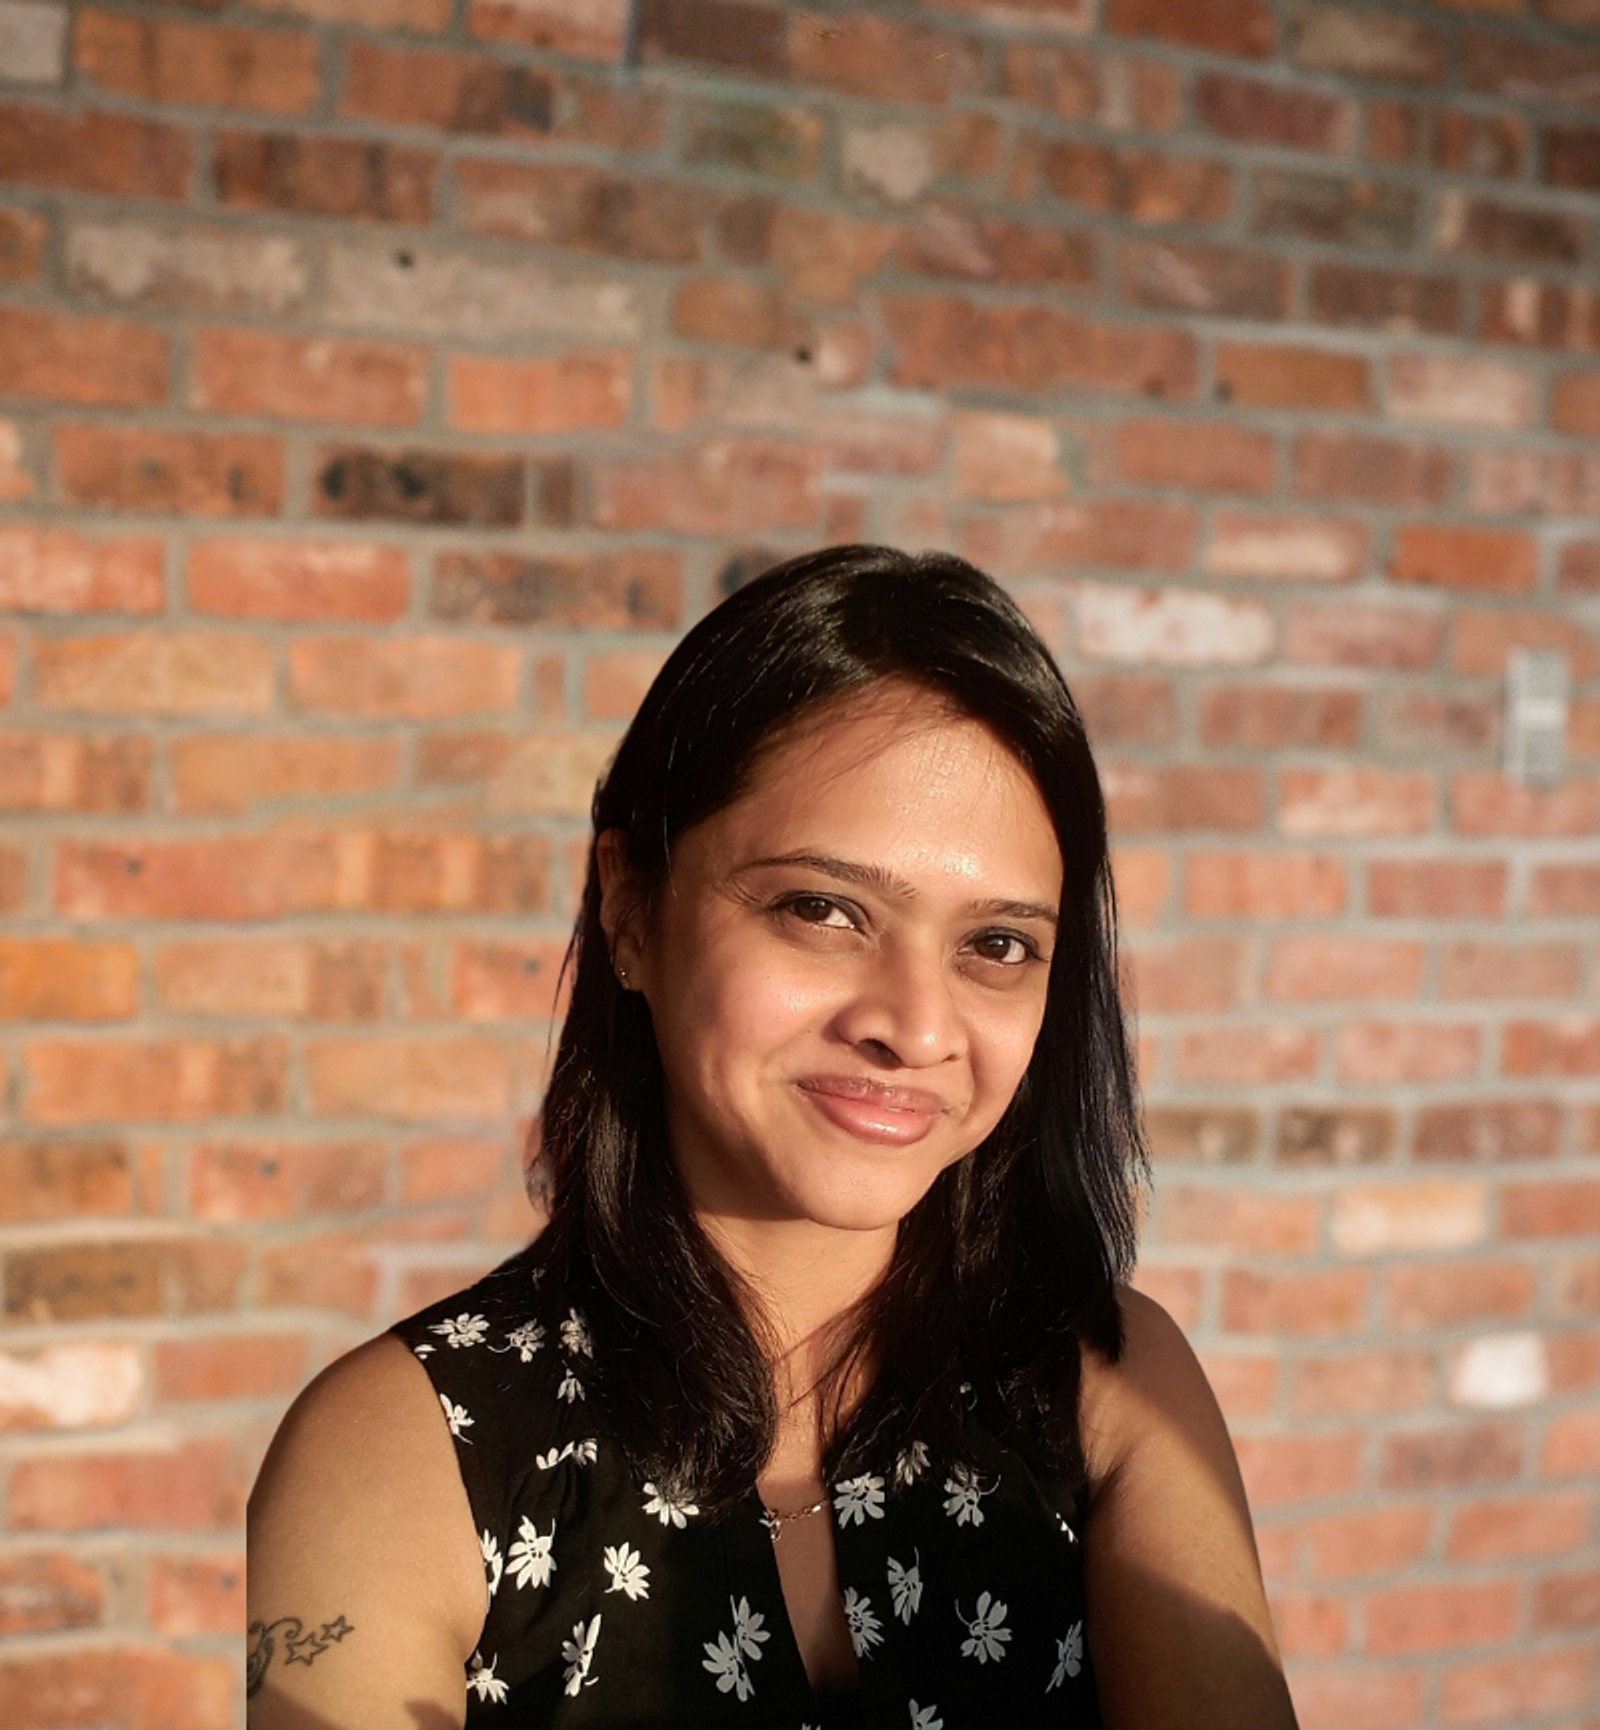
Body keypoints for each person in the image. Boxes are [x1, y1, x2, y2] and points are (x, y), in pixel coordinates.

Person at [247, 546, 1299, 1730]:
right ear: (630, 907)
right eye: (821, 909)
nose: (912, 1025)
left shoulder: (1107, 1387)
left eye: (995, 943)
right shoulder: (403, 1448)